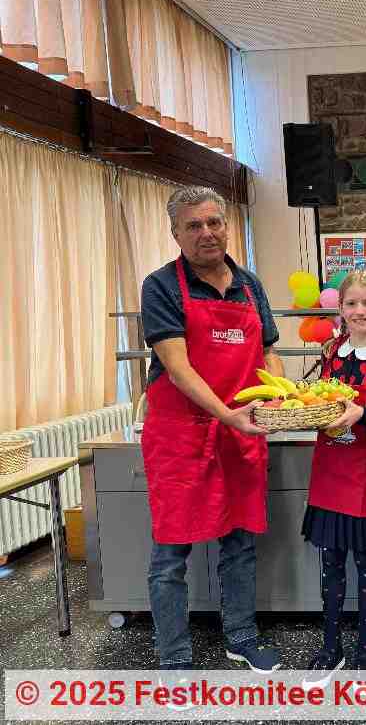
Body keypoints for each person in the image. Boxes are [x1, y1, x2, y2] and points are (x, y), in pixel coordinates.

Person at [140, 186, 282, 672]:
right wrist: (227, 414)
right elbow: (177, 367)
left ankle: (241, 636)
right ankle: (173, 657)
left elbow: (268, 352)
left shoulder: (250, 286)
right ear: (175, 233)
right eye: (194, 225)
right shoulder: (161, 286)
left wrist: (277, 396)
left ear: (227, 225)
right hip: (181, 435)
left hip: (240, 434)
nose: (206, 233)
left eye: (214, 222)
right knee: (170, 553)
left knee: (240, 543)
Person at [301, 272, 366, 688]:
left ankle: (365, 649)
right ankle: (331, 648)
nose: (359, 311)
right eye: (351, 304)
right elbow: (322, 400)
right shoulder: (331, 351)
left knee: (365, 563)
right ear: (340, 310)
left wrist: (361, 413)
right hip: (329, 469)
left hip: (364, 472)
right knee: (329, 564)